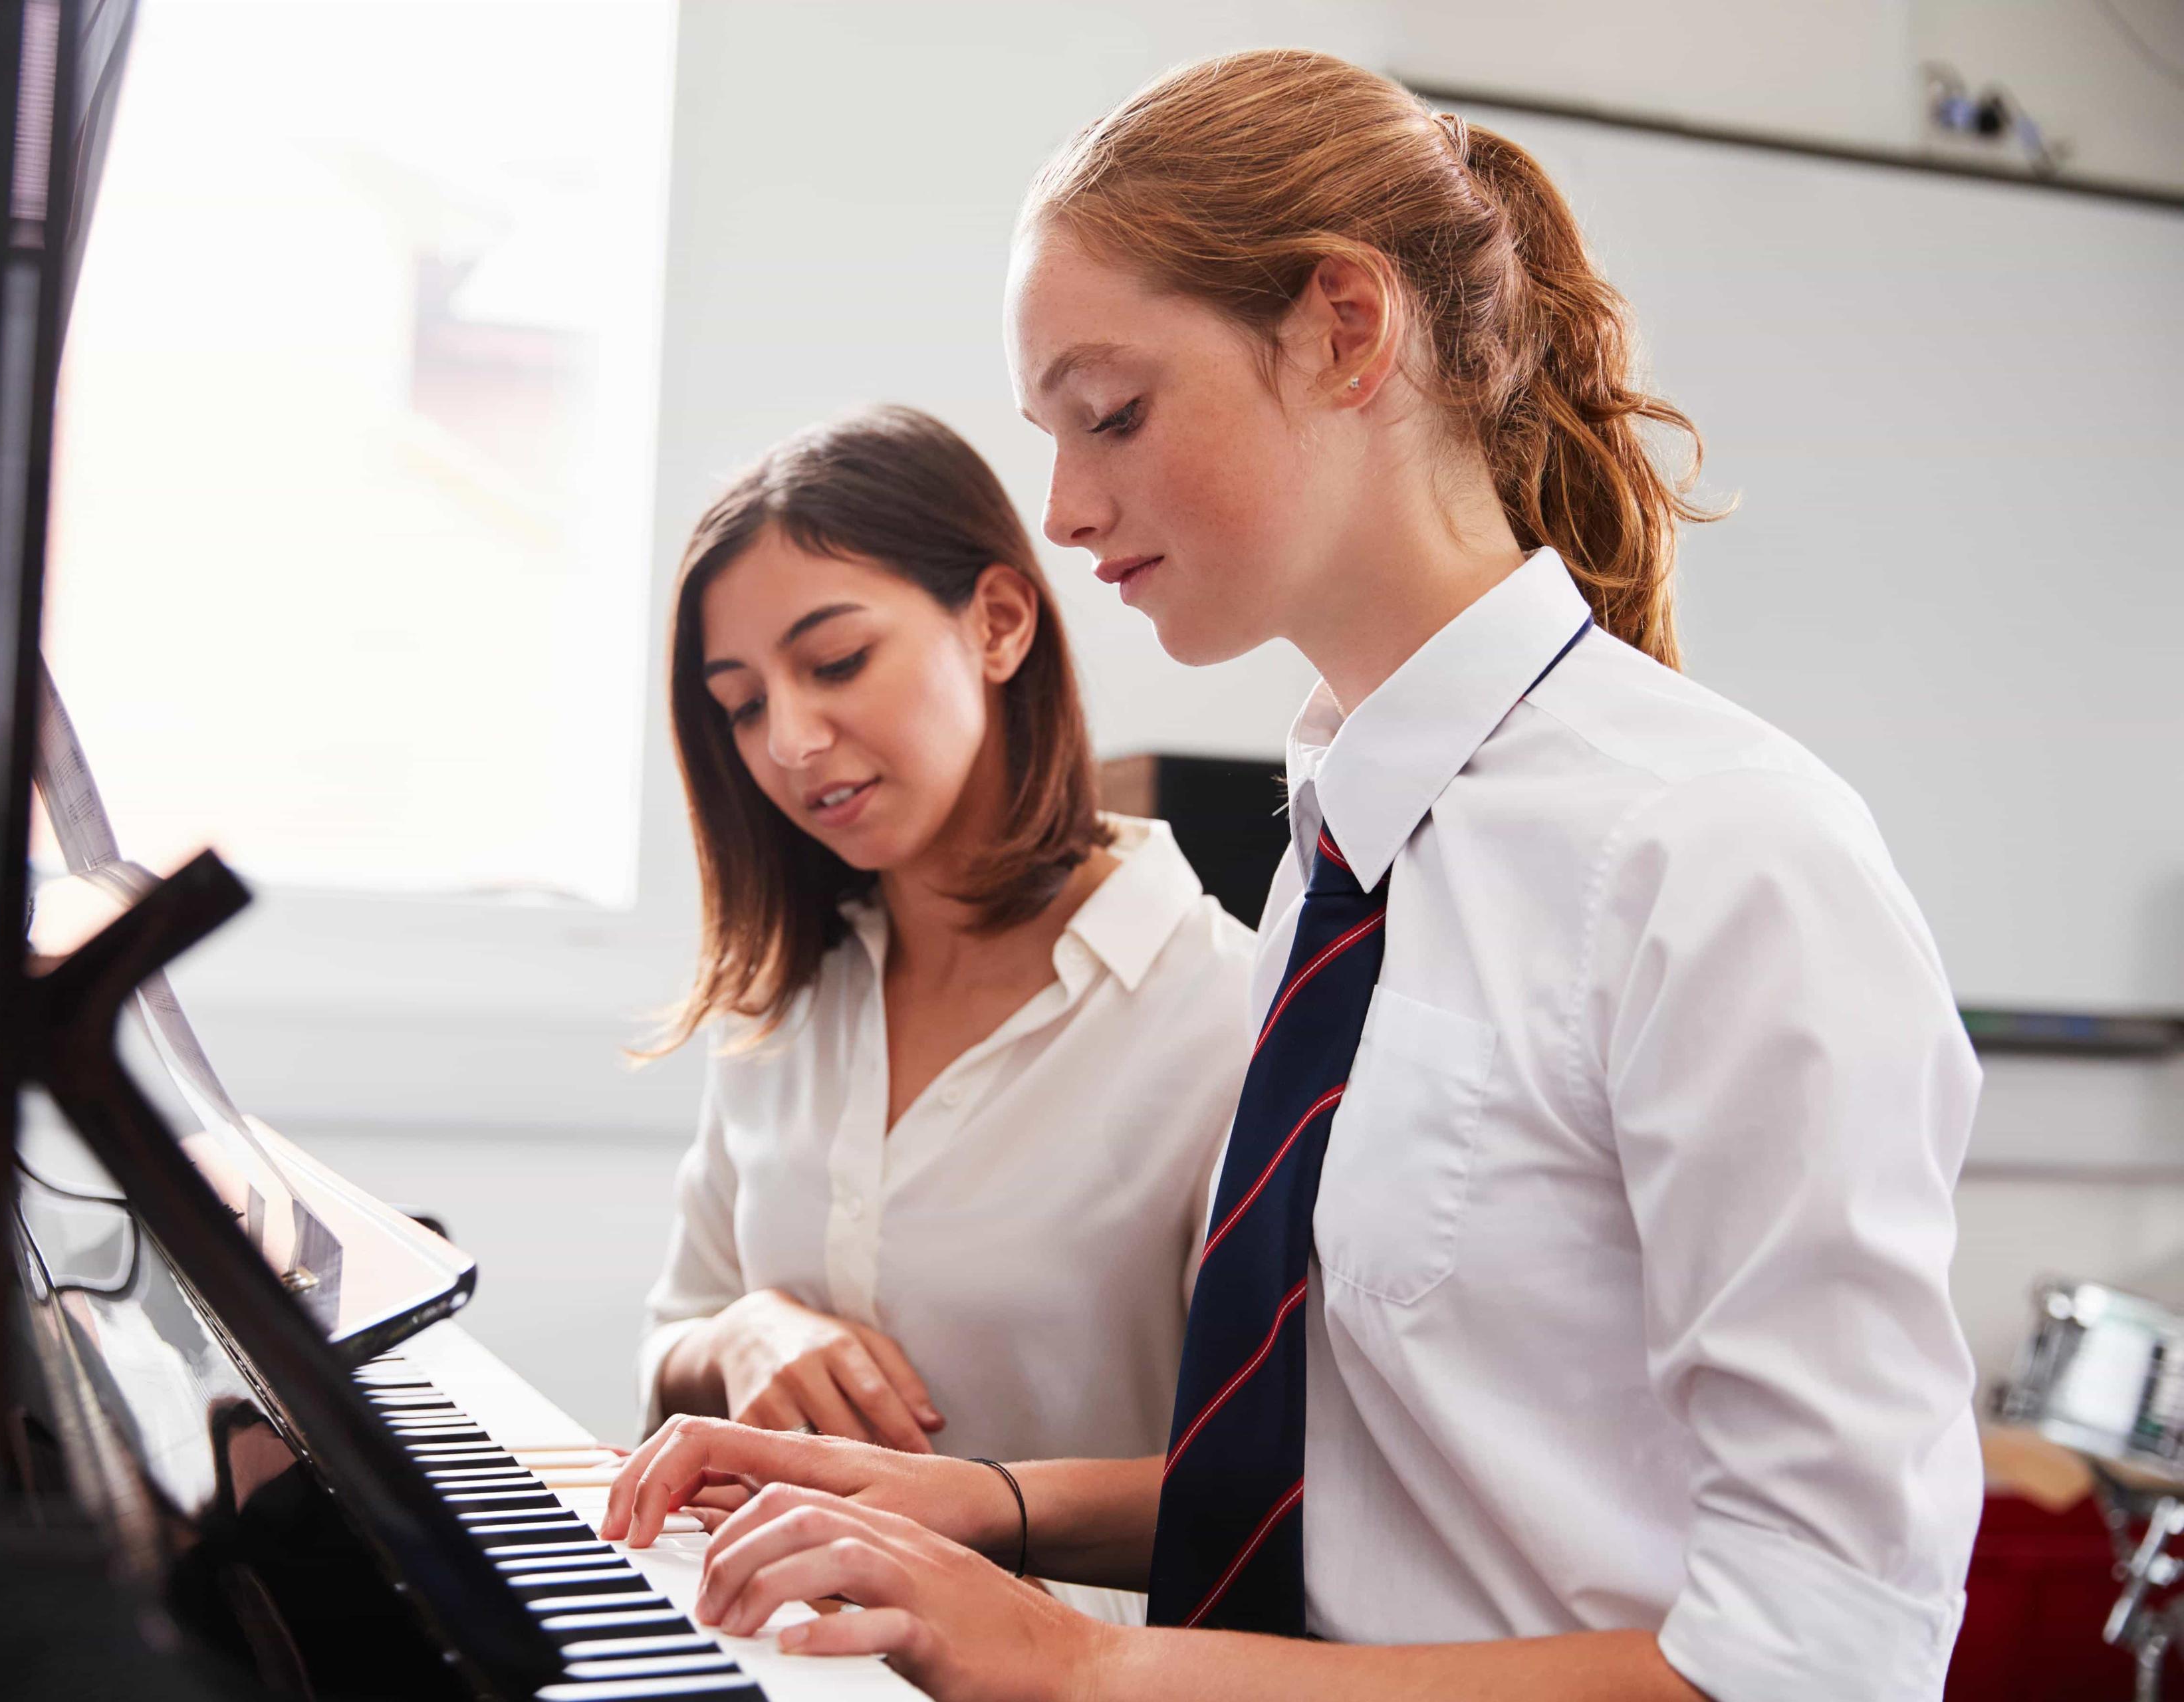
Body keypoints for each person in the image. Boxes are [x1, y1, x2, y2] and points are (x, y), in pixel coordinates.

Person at [602, 49, 1982, 1702]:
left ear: (1345, 326)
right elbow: (1369, 1486)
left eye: (1111, 412)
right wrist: (983, 1503)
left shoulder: (1717, 855)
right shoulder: (1344, 856)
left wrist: (1078, 1665)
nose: (1067, 503)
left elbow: (1821, 1656)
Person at [636, 408, 1257, 1491]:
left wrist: (981, 1515)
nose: (787, 743)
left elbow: (1285, 1495)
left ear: (1000, 624)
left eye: (835, 661)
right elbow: (672, 1342)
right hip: (774, 1631)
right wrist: (746, 1332)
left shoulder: (1226, 1017)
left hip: (1064, 1652)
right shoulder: (782, 1001)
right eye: (740, 706)